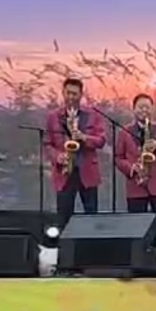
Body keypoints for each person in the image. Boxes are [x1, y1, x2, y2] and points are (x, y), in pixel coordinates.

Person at [45, 76, 106, 228]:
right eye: (68, 93)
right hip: (64, 172)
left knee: (91, 215)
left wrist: (84, 137)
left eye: (75, 94)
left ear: (81, 95)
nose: (71, 97)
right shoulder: (54, 117)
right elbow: (47, 143)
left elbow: (101, 140)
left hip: (87, 172)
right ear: (63, 93)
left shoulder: (93, 115)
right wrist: (58, 157)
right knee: (63, 216)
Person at [115, 94, 156, 212]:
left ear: (152, 109)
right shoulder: (125, 132)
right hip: (135, 186)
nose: (144, 110)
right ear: (134, 109)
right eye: (140, 107)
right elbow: (118, 157)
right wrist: (132, 168)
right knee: (136, 221)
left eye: (147, 107)